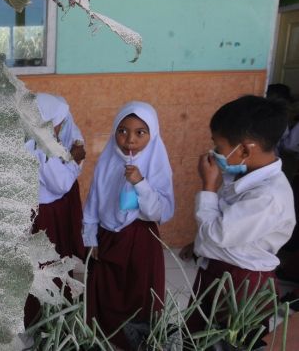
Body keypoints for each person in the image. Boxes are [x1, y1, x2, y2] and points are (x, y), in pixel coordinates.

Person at [180, 96, 295, 340]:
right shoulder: (244, 174)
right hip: (219, 269)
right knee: (198, 336)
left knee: (228, 341)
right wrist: (199, 244)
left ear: (244, 149)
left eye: (218, 148)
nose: (213, 153)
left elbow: (219, 232)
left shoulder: (268, 197)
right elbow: (227, 222)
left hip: (242, 283)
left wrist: (208, 185)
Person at [82, 101, 174, 350]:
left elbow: (160, 212)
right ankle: (104, 337)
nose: (129, 139)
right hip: (107, 236)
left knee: (138, 291)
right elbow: (94, 200)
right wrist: (90, 237)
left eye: (140, 133)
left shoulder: (156, 163)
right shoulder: (108, 159)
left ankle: (137, 341)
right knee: (106, 289)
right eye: (122, 130)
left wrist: (140, 183)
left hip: (140, 239)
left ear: (152, 135)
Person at [23, 93, 86, 326]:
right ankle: (46, 317)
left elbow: (74, 133)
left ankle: (49, 311)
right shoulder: (38, 148)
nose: (62, 126)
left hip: (44, 209)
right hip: (45, 213)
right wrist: (74, 161)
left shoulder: (35, 134)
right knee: (48, 262)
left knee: (48, 261)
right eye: (57, 123)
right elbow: (60, 183)